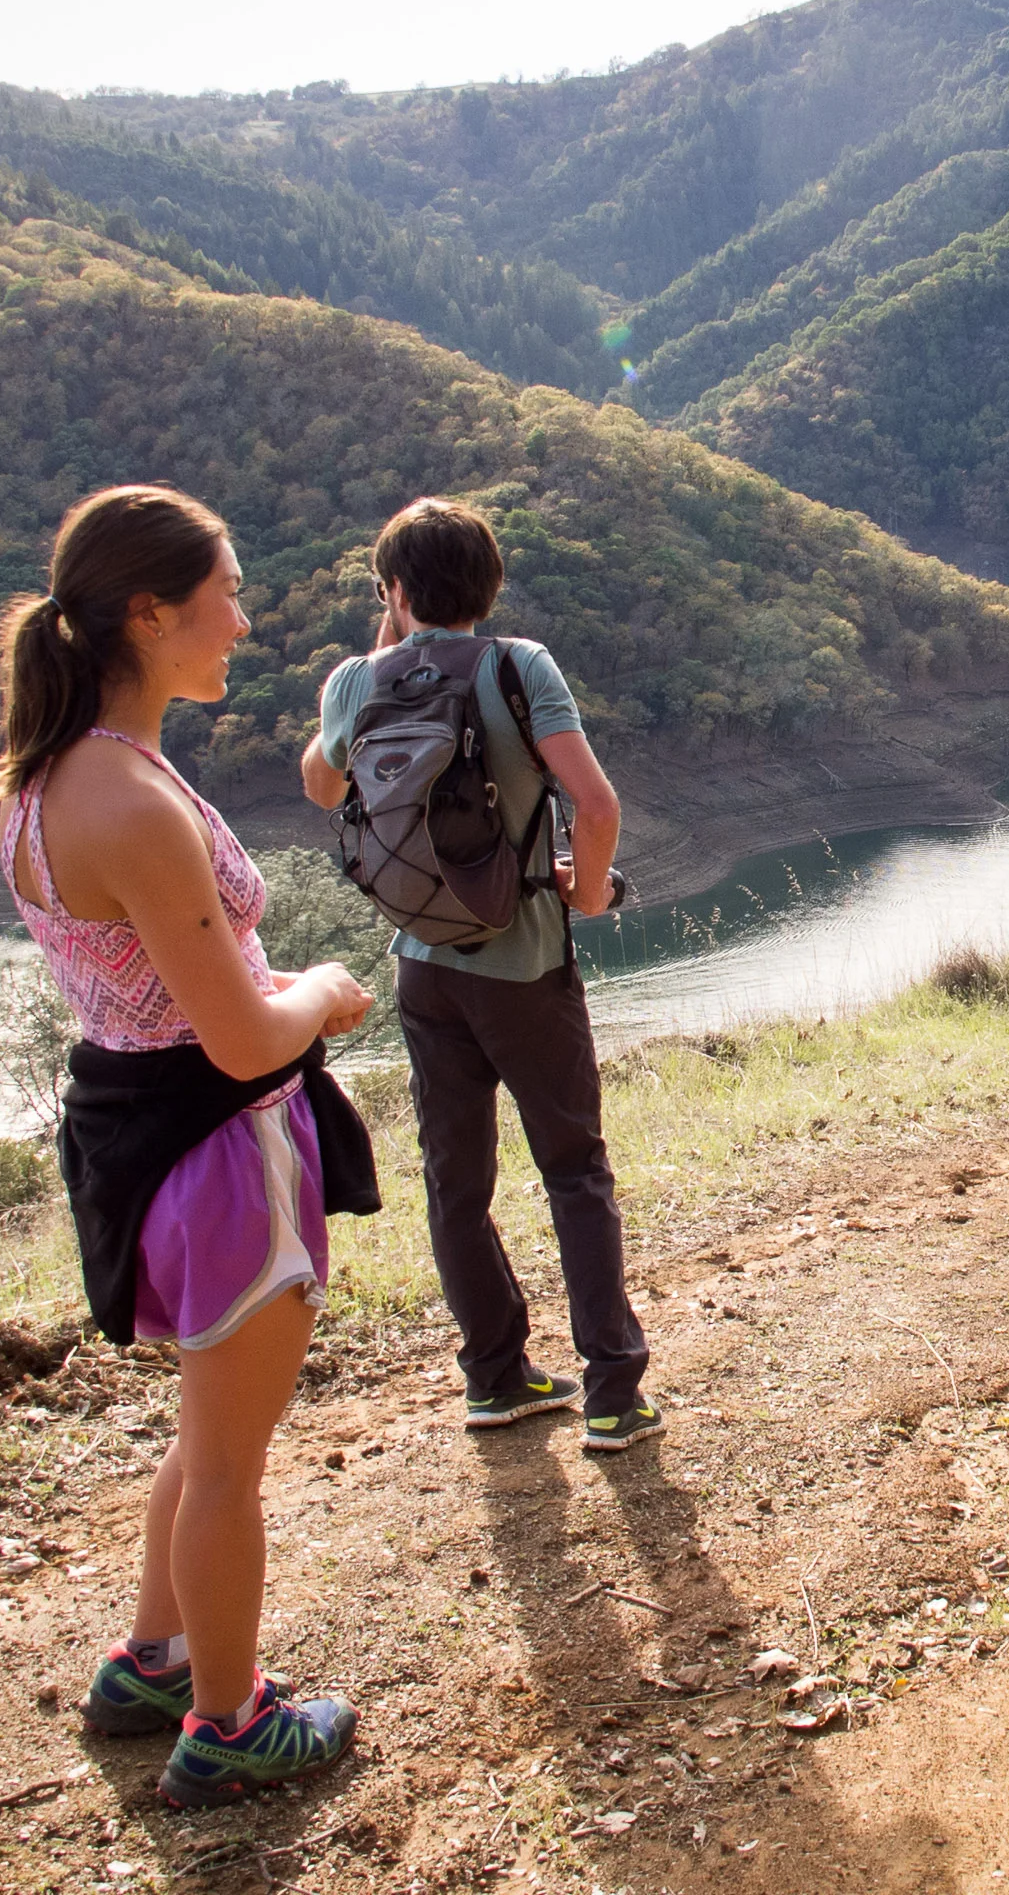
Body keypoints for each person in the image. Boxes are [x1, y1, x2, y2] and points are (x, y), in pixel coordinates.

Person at [0, 484, 379, 1801]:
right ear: (149, 613)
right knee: (228, 1463)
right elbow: (242, 1038)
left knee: (205, 1430)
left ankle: (152, 1660)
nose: (244, 621)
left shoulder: (46, 782)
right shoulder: (131, 803)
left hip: (136, 1128)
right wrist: (324, 989)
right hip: (222, 1147)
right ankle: (228, 1721)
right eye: (227, 593)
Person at [302, 498, 659, 1449]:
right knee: (574, 1171)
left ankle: (495, 1378)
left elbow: (320, 783)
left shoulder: (354, 681)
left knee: (455, 1182)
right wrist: (586, 896)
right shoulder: (516, 664)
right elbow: (594, 799)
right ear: (489, 587)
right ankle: (613, 1393)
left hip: (423, 967)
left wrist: (386, 640)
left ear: (398, 590)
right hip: (526, 962)